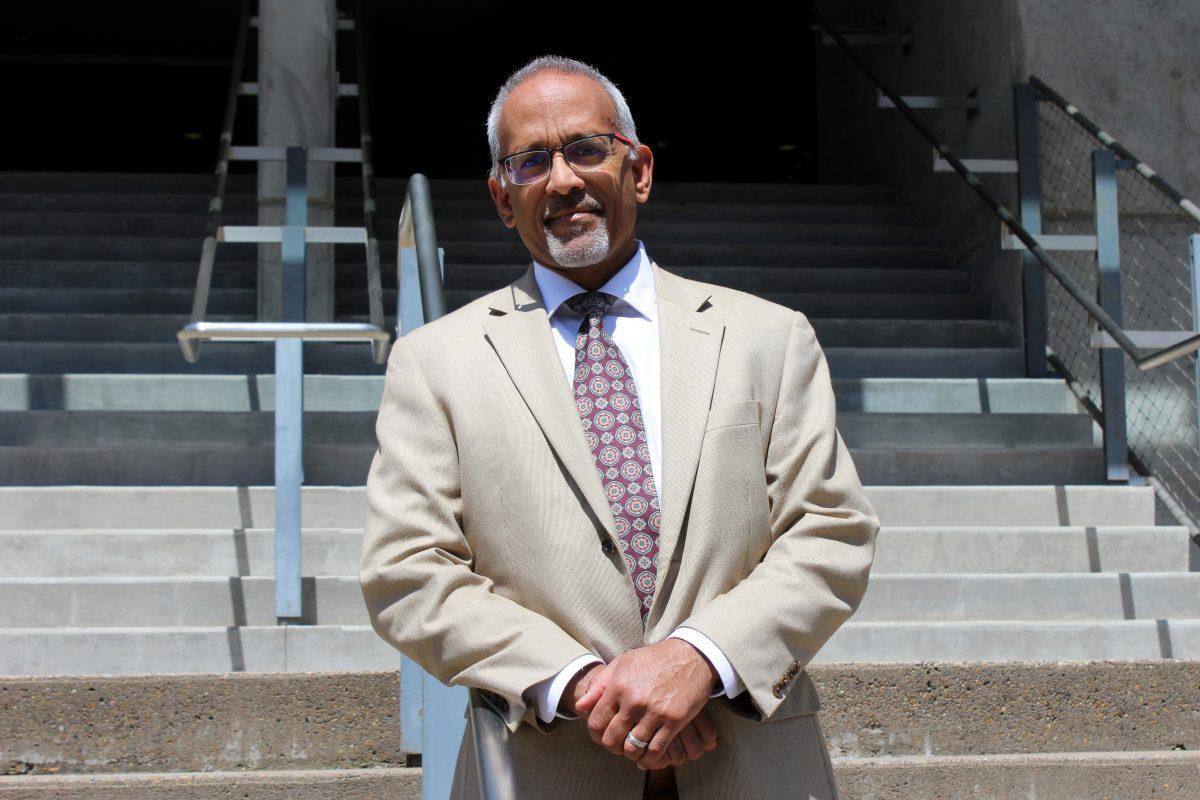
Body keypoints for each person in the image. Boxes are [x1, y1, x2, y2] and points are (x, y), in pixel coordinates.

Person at [359, 54, 879, 800]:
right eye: (531, 162)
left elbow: (832, 531)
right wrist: (587, 688)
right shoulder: (434, 364)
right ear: (503, 199)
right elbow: (406, 572)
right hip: (545, 767)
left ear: (638, 170)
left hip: (751, 763)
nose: (563, 179)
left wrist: (700, 659)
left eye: (586, 149)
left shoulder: (768, 337)